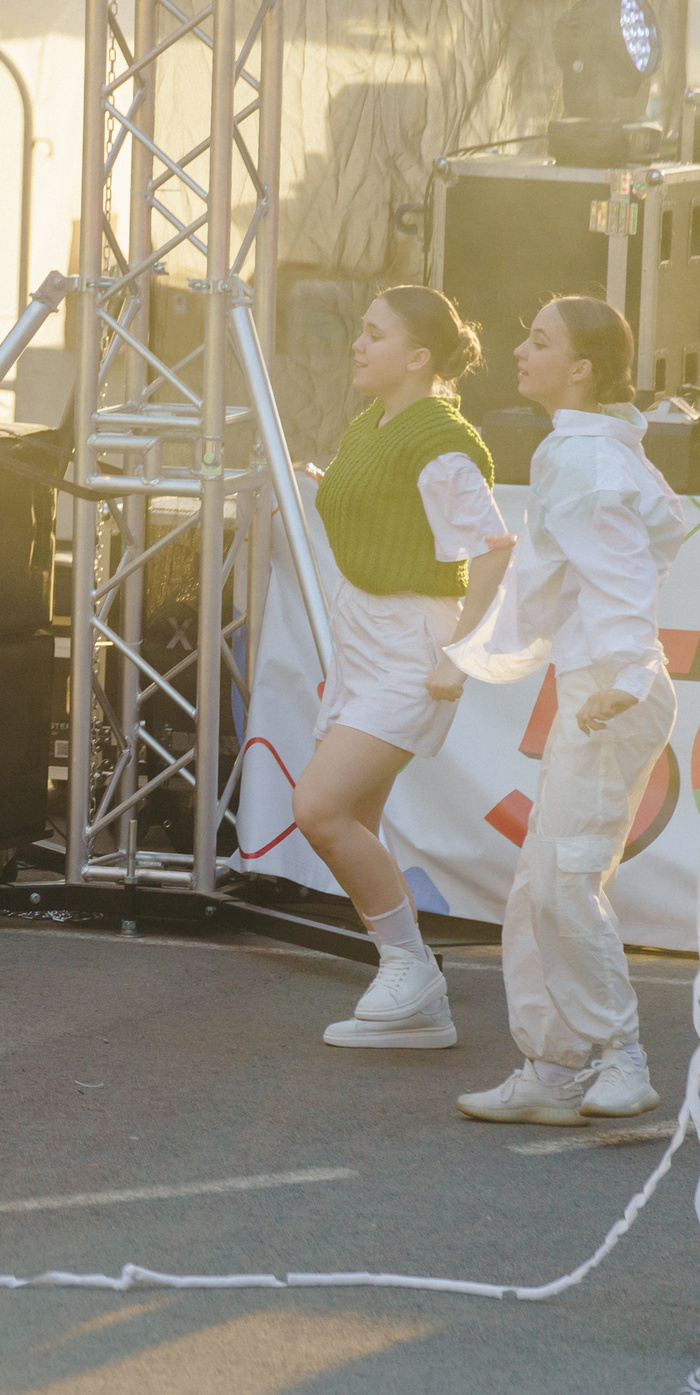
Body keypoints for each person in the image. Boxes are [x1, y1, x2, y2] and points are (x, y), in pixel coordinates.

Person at [447, 297, 688, 1126]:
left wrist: (622, 665)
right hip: (607, 687)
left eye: (538, 339)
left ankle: (620, 1053)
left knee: (563, 883)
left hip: (610, 692)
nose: (519, 348)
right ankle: (553, 1069)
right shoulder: (598, 448)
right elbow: (653, 539)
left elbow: (621, 566)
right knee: (541, 886)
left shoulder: (585, 459)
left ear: (581, 367)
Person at [290, 286, 509, 1050]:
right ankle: (417, 998)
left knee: (319, 810)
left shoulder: (440, 441)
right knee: (356, 820)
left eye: (374, 334)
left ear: (418, 357)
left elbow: (493, 550)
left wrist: (459, 654)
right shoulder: (373, 423)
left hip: (412, 646)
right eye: (360, 330)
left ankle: (411, 969)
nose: (357, 343)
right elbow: (389, 508)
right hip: (365, 638)